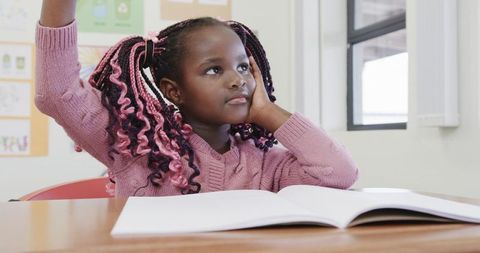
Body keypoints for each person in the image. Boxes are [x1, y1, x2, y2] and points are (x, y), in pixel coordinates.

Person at [36, 0, 358, 197]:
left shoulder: (265, 162)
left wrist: (269, 112)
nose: (236, 79)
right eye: (214, 70)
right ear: (174, 91)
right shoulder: (138, 152)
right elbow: (56, 93)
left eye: (244, 67)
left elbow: (339, 172)